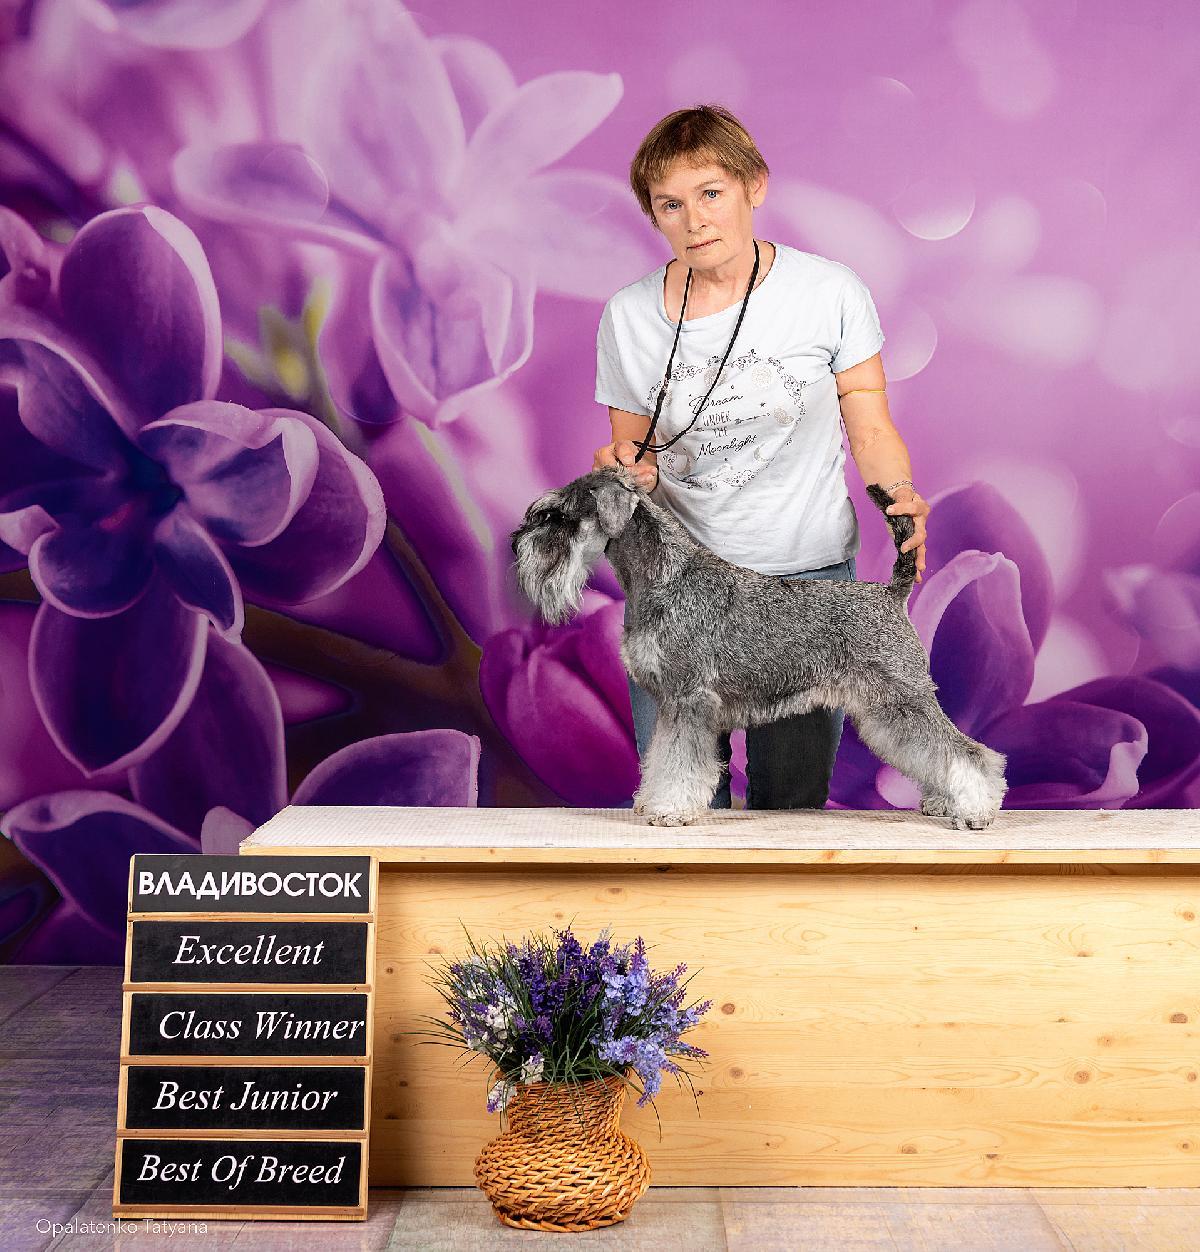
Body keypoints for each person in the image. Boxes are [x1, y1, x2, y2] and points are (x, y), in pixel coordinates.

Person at [593, 104, 931, 810]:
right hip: (677, 592)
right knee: (679, 811)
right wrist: (626, 467)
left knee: (791, 812)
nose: (695, 220)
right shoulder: (627, 315)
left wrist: (897, 495)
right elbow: (632, 447)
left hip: (807, 583)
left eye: (711, 193)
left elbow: (869, 425)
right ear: (654, 216)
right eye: (670, 204)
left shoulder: (830, 292)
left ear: (755, 185)